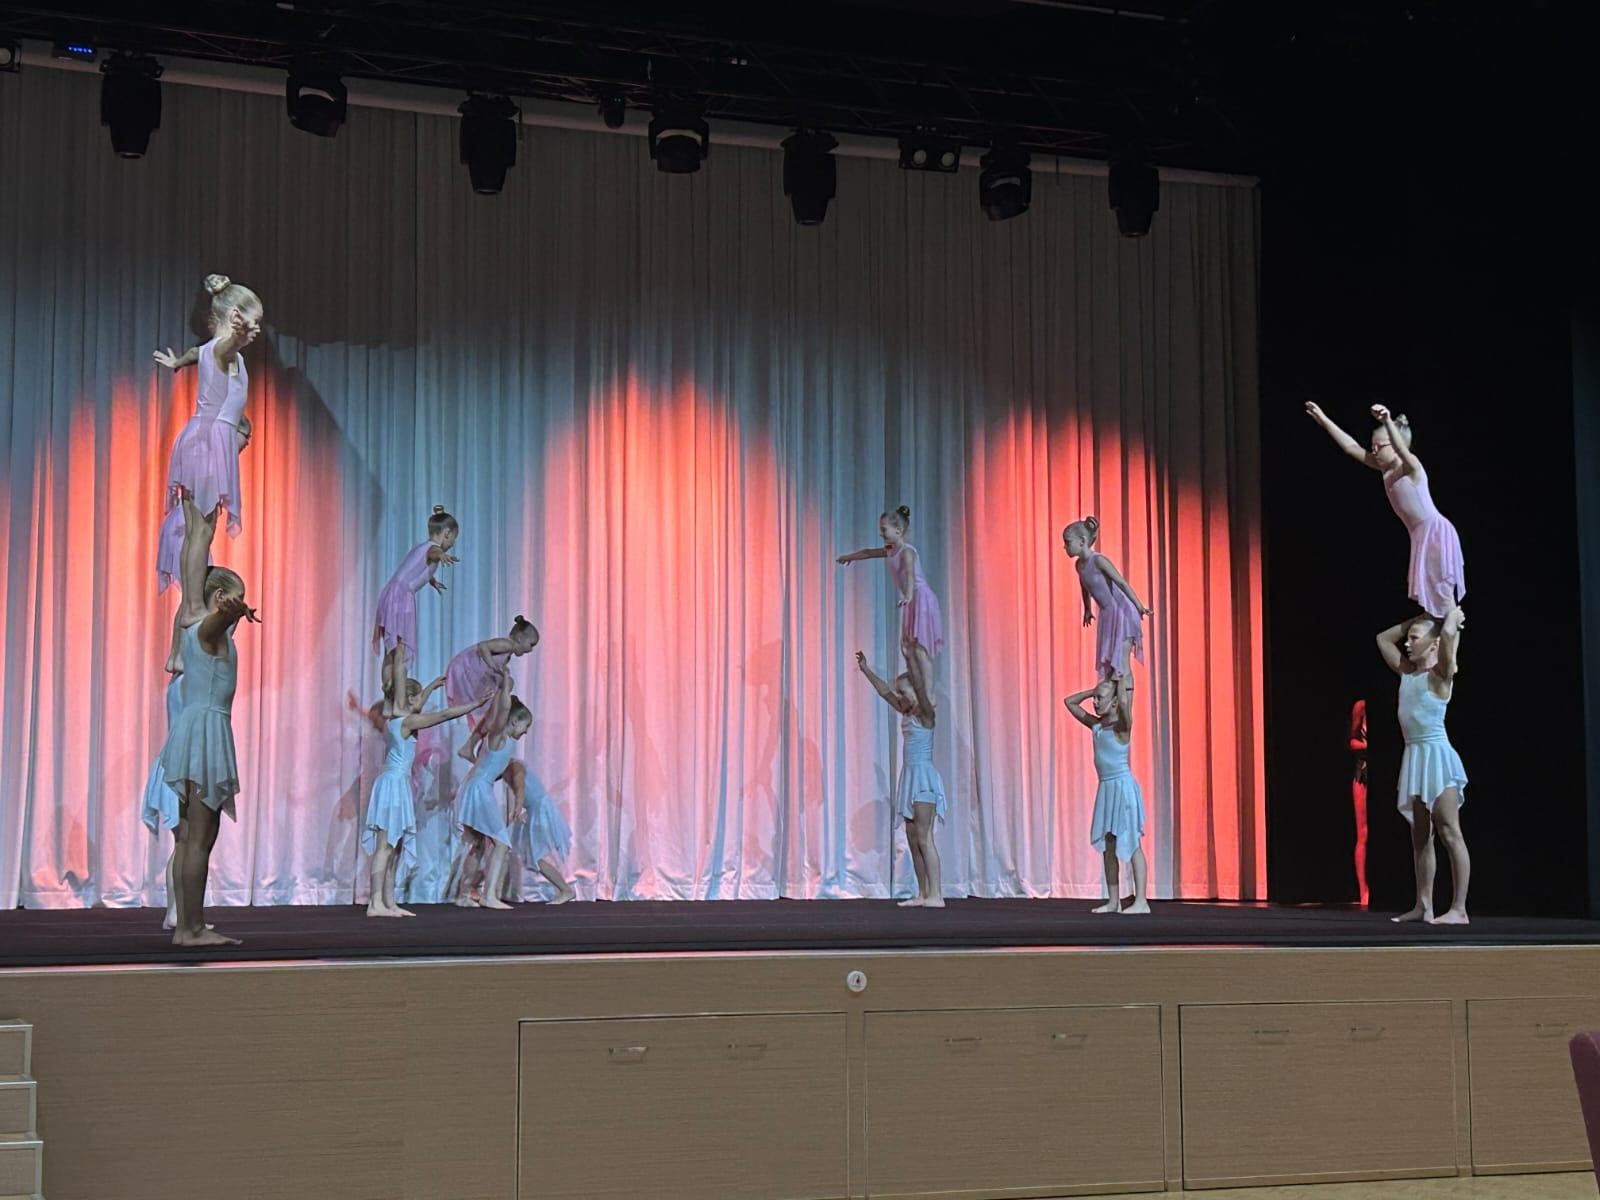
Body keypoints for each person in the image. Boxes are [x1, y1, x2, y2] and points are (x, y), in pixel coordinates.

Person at [160, 493, 258, 946]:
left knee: (191, 838)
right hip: (204, 733)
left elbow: (192, 558)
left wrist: (201, 524)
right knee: (200, 836)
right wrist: (231, 609)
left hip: (195, 730)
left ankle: (187, 925)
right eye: (237, 598)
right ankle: (191, 928)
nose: (242, 607)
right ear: (219, 597)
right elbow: (214, 608)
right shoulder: (207, 629)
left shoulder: (190, 621)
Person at [1305, 401, 1465, 617]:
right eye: (1373, 446)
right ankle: (1439, 628)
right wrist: (1324, 420)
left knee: (1442, 591)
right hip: (1419, 534)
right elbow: (1351, 448)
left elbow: (1401, 449)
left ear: (1396, 445)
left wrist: (1387, 421)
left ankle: (1451, 627)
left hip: (1434, 531)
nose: (1374, 451)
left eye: (1380, 447)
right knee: (1432, 594)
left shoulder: (1411, 467)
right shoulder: (1385, 471)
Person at [1377, 607, 1469, 924]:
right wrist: (1416, 620)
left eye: (1414, 638)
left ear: (1433, 645)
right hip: (1415, 757)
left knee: (1449, 831)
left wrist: (1449, 617)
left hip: (1437, 758)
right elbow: (1382, 638)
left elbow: (1448, 637)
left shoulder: (1440, 676)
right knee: (1421, 836)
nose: (1407, 642)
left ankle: (1459, 909)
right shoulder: (1407, 674)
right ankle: (1424, 905)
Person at [855, 650, 945, 908]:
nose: (900, 697)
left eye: (904, 692)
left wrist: (911, 656)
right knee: (912, 837)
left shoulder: (925, 714)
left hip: (924, 779)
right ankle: (922, 893)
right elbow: (884, 692)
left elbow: (924, 684)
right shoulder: (906, 712)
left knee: (924, 836)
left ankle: (936, 894)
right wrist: (866, 669)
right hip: (910, 778)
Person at [837, 505, 944, 704]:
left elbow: (910, 575)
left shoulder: (907, 552)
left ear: (898, 530)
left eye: (884, 529)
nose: (881, 533)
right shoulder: (890, 551)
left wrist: (909, 596)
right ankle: (917, 687)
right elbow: (868, 552)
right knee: (906, 649)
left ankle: (927, 693)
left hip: (920, 598)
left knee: (919, 649)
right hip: (911, 600)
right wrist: (849, 557)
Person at [1064, 672, 1149, 914]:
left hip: (1122, 789)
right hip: (1107, 789)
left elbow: (1125, 702)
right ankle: (1114, 901)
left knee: (1132, 843)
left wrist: (1121, 682)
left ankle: (1141, 901)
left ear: (1114, 703)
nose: (1095, 702)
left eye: (1100, 698)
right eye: (1095, 698)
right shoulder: (1097, 725)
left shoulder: (1122, 727)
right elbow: (1069, 702)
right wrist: (1093, 691)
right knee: (1108, 847)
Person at [1062, 516, 1151, 681]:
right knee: (1109, 664)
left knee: (1121, 664)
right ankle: (1113, 695)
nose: (1065, 547)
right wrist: (1087, 609)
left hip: (1121, 612)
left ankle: (1124, 694)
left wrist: (1139, 606)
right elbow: (1084, 587)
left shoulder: (1098, 561)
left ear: (1082, 541)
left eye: (1067, 542)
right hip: (1107, 615)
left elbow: (1121, 582)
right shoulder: (1079, 565)